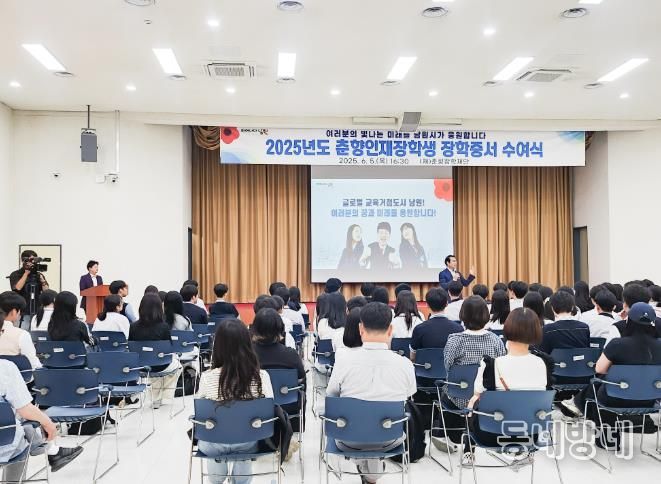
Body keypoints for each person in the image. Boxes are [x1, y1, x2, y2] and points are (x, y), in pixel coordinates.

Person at [326, 302, 416, 483]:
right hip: (390, 437)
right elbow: (408, 395)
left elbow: (332, 396)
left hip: (348, 438)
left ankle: (367, 468)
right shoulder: (405, 364)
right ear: (390, 330)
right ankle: (371, 471)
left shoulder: (344, 361)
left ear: (360, 329)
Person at [566, 303, 661, 449]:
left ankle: (608, 440)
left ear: (628, 322)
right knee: (601, 385)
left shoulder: (618, 344)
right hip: (650, 400)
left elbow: (599, 369)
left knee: (599, 384)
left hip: (615, 398)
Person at [465, 308, 552, 462]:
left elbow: (477, 393)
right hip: (531, 434)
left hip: (492, 434)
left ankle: (468, 453)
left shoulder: (491, 364)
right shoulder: (543, 363)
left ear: (508, 329)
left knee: (472, 404)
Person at [197, 319, 274, 483]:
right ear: (247, 344)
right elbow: (269, 411)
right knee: (245, 441)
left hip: (213, 443)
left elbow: (199, 413)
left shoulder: (207, 378)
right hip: (249, 441)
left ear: (217, 347)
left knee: (212, 438)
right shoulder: (261, 377)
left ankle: (216, 479)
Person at [439, 296, 506, 452]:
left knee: (444, 390)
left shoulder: (454, 340)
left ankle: (445, 434)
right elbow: (500, 369)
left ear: (463, 315)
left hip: (458, 398)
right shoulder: (496, 341)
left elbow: (448, 368)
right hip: (486, 399)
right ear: (486, 315)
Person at [0, 360, 83, 480]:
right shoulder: (5, 367)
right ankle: (50, 450)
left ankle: (52, 451)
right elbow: (26, 410)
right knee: (21, 430)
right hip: (6, 447)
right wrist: (49, 424)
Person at [251, 308, 306, 431]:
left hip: (255, 406)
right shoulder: (291, 354)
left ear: (254, 329)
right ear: (280, 329)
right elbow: (301, 378)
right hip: (288, 405)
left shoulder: (247, 354)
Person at [129, 293, 182, 406]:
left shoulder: (133, 327)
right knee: (177, 365)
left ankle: (156, 397)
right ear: (159, 309)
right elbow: (169, 349)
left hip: (141, 366)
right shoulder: (164, 327)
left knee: (155, 365)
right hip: (161, 365)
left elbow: (131, 348)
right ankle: (165, 395)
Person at [410, 288, 463, 361]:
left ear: (427, 305)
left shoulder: (419, 329)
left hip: (426, 367)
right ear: (447, 304)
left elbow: (412, 357)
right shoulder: (459, 329)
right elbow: (461, 356)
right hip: (450, 368)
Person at [8, 250, 49, 330]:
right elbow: (17, 288)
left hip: (37, 311)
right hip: (22, 311)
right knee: (22, 332)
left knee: (37, 333)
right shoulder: (16, 274)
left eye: (34, 260)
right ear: (23, 260)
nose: (32, 263)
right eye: (30, 260)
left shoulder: (38, 275)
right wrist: (26, 273)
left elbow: (46, 292)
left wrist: (43, 281)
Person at [0, 292, 41, 369]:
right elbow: (33, 364)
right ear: (14, 312)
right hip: (15, 375)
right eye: (19, 311)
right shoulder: (21, 334)